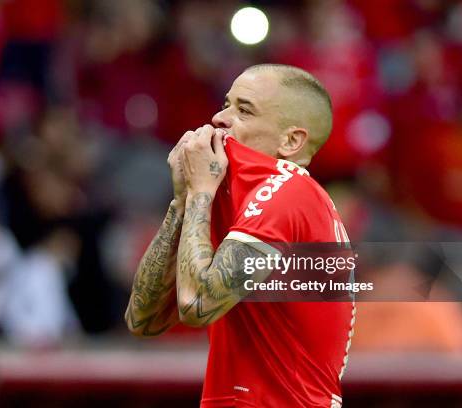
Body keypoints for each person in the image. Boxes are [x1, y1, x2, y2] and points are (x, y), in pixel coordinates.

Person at [125, 64, 354, 408]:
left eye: (244, 110)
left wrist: (202, 192)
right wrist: (182, 201)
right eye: (225, 104)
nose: (220, 119)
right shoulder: (252, 200)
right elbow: (144, 319)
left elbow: (197, 305)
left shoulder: (288, 194)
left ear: (291, 141)